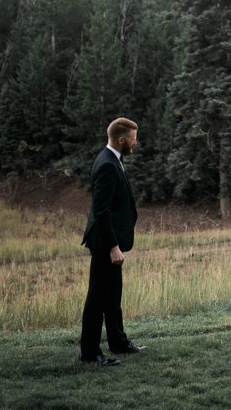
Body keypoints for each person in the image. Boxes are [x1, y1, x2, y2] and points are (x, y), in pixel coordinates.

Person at [79, 117, 147, 366]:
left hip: (109, 241)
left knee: (112, 296)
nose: (135, 142)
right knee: (97, 298)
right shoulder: (107, 164)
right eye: (133, 138)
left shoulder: (112, 160)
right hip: (104, 244)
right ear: (122, 139)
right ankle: (90, 353)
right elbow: (101, 210)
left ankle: (118, 342)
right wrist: (113, 247)